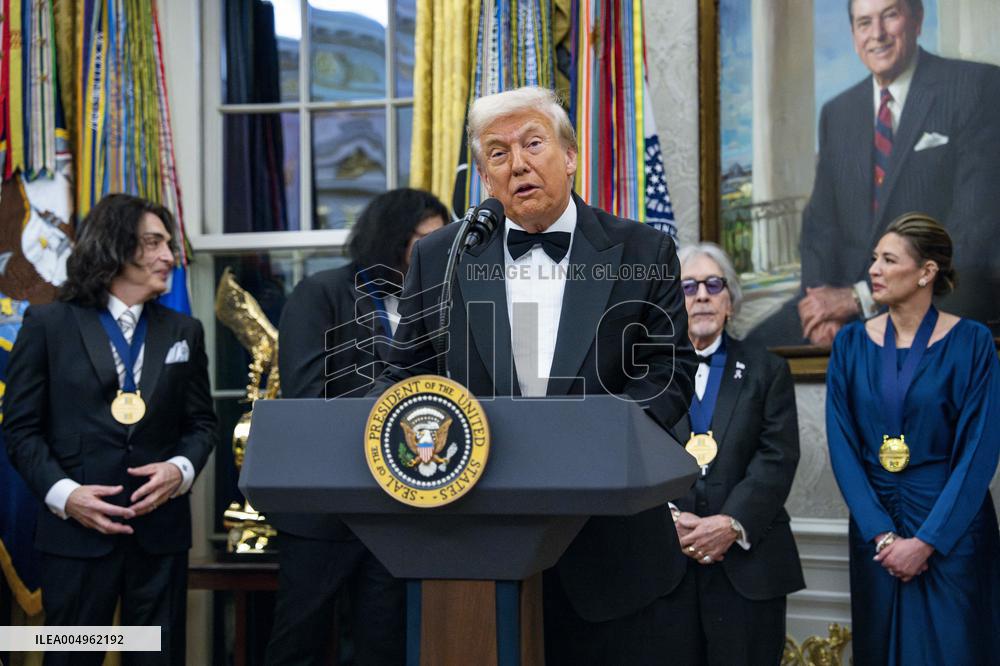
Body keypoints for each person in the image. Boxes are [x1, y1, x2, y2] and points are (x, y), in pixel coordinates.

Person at [371, 86, 698, 664]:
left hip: (611, 546)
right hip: (475, 545)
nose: (517, 163)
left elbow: (667, 374)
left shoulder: (642, 248)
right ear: (484, 176)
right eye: (497, 153)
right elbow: (404, 379)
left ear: (569, 155)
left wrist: (592, 445)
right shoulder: (441, 256)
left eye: (532, 143)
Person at [4, 193, 217, 665]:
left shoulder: (186, 331)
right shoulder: (48, 323)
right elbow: (20, 430)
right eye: (153, 243)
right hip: (74, 537)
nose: (168, 256)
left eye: (167, 244)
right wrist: (65, 495)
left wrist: (180, 471)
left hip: (159, 536)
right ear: (116, 247)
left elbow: (201, 423)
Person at [265, 188, 449, 665]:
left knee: (386, 647)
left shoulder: (443, 306)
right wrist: (394, 407)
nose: (441, 250)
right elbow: (306, 398)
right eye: (427, 240)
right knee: (299, 644)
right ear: (391, 239)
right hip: (322, 510)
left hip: (401, 511)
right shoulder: (321, 293)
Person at [754, 0, 1000, 346]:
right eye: (864, 23)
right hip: (842, 304)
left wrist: (859, 298)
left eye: (890, 15)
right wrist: (820, 306)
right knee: (751, 351)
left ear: (917, 19)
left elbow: (972, 231)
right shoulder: (838, 113)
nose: (877, 34)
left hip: (932, 297)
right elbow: (820, 228)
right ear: (854, 34)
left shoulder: (975, 88)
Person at [826, 212, 1000, 665]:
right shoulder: (849, 345)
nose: (873, 270)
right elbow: (843, 448)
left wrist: (927, 541)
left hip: (952, 531)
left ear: (926, 272)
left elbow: (979, 450)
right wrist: (882, 537)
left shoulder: (974, 342)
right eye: (873, 259)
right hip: (875, 531)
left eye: (888, 260)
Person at [659, 243, 804, 665]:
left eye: (713, 284)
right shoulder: (647, 373)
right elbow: (633, 455)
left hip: (749, 565)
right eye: (688, 286)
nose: (701, 295)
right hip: (668, 567)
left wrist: (729, 523)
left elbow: (776, 458)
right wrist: (669, 519)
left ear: (729, 299)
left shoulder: (767, 369)